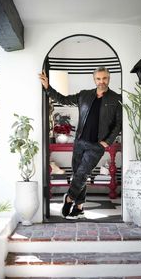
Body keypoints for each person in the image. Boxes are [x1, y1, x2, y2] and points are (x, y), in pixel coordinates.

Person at [39, 67, 122, 219]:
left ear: (109, 79)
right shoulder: (84, 95)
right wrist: (48, 88)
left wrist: (107, 142)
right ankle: (79, 207)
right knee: (78, 174)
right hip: (80, 142)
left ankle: (69, 198)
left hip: (97, 145)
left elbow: (118, 124)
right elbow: (63, 100)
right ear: (94, 79)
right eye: (98, 78)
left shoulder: (116, 99)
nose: (101, 81)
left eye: (104, 78)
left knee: (83, 173)